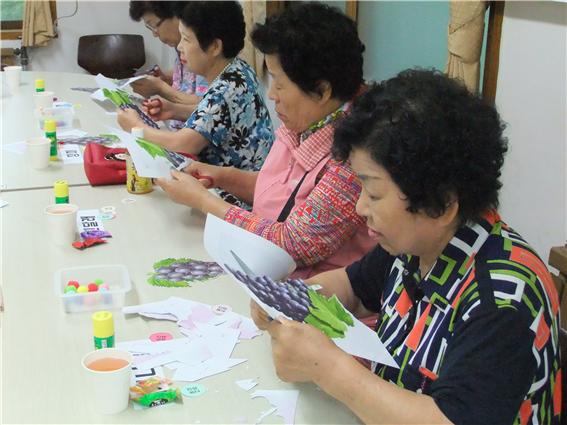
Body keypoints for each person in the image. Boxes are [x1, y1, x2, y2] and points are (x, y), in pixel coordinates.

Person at [250, 69, 562, 425]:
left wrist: (327, 368)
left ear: (441, 204)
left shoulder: (502, 300)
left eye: (374, 193)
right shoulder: (417, 243)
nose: (360, 207)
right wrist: (290, 299)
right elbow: (353, 287)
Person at [157, 3, 376, 278]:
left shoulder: (355, 156)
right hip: (257, 263)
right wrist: (219, 176)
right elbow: (277, 190)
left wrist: (203, 201)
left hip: (305, 291)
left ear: (321, 91)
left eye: (279, 83)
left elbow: (291, 244)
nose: (272, 95)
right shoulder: (306, 122)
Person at [120, 1, 274, 207]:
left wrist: (135, 127)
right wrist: (175, 110)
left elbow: (183, 143)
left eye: (186, 39)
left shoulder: (227, 88)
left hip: (236, 203)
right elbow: (217, 119)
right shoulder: (238, 70)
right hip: (232, 191)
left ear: (215, 47)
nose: (180, 47)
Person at [128, 0, 208, 127]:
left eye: (154, 25)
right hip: (176, 127)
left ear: (177, 15)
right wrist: (167, 79)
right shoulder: (179, 45)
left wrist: (161, 88)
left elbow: (207, 106)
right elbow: (188, 83)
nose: (154, 34)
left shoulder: (203, 48)